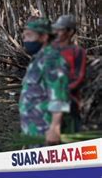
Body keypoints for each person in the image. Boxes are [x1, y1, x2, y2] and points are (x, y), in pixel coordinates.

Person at [20, 17, 70, 146]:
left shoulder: (52, 60)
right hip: (34, 127)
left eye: (29, 35)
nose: (25, 39)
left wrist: (55, 128)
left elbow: (59, 96)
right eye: (24, 35)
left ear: (44, 37)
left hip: (45, 129)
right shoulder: (39, 58)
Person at [52, 15, 87, 133]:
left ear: (70, 31)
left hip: (69, 101)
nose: (56, 32)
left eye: (60, 29)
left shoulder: (78, 52)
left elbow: (79, 78)